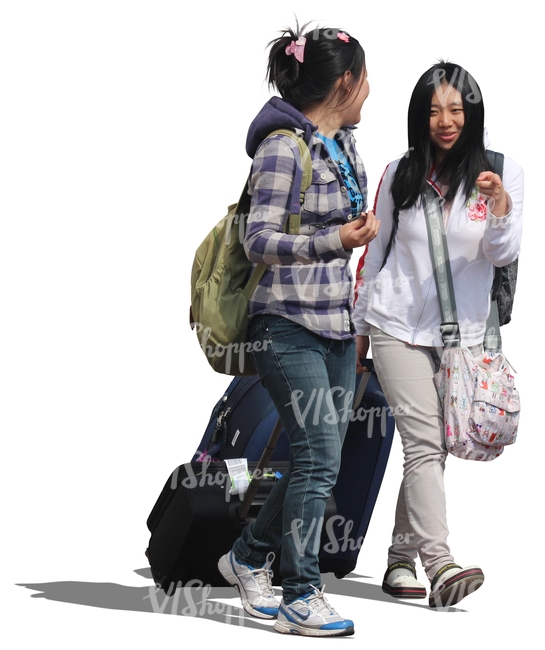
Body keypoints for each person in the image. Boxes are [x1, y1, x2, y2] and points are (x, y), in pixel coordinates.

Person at [217, 23, 379, 636]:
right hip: (286, 322)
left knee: (323, 456)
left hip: (336, 323)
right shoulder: (283, 147)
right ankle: (301, 594)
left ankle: (247, 555)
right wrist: (332, 239)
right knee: (317, 453)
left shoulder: (344, 147)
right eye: (364, 78)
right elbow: (257, 238)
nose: (370, 89)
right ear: (344, 82)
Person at [353, 62, 523, 608]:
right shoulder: (400, 171)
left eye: (456, 109)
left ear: (472, 113)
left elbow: (503, 255)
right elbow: (373, 255)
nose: (445, 121)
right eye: (433, 110)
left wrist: (499, 211)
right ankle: (440, 563)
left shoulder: (501, 172)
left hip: (463, 336)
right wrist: (359, 328)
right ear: (418, 115)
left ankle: (400, 559)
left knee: (433, 449)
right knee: (424, 443)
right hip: (395, 324)